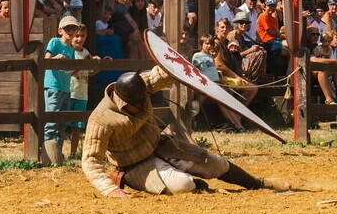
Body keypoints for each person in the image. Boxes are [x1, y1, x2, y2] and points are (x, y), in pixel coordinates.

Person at [80, 67, 284, 197]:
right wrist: (110, 189)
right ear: (124, 103)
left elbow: (159, 76)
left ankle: (258, 183)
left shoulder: (140, 86)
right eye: (139, 103)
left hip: (161, 146)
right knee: (183, 184)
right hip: (133, 167)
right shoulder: (100, 120)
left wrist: (174, 64)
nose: (144, 104)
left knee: (214, 164)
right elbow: (90, 160)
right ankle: (196, 185)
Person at [42, 15, 81, 165]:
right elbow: (46, 60)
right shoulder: (55, 42)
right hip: (53, 86)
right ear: (60, 30)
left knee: (61, 122)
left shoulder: (71, 49)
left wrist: (77, 69)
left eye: (73, 28)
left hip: (66, 87)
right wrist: (55, 58)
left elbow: (70, 70)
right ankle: (47, 154)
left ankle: (56, 155)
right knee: (52, 121)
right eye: (67, 28)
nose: (70, 31)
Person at [192, 35, 248, 132]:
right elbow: (195, 71)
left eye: (211, 44)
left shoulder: (210, 56)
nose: (209, 46)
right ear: (202, 44)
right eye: (207, 44)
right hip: (207, 84)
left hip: (216, 83)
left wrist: (221, 78)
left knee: (228, 99)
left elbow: (212, 71)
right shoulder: (197, 56)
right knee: (223, 100)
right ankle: (237, 125)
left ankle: (237, 124)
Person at [68, 24, 103, 157]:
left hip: (82, 93)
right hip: (69, 91)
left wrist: (98, 65)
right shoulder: (69, 51)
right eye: (76, 36)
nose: (79, 39)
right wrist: (82, 63)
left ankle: (73, 152)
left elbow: (89, 73)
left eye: (82, 36)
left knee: (77, 126)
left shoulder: (86, 53)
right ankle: (58, 151)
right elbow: (69, 72)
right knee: (62, 123)